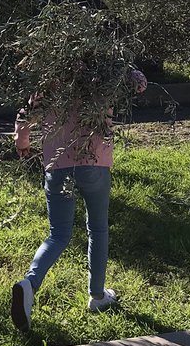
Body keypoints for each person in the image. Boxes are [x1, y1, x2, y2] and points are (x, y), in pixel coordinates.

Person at [11, 64, 148, 331]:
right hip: (95, 165)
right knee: (97, 229)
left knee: (58, 235)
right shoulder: (107, 73)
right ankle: (97, 295)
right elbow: (140, 84)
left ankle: (29, 284)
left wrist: (22, 141)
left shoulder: (50, 78)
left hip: (58, 166)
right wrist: (120, 61)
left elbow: (26, 115)